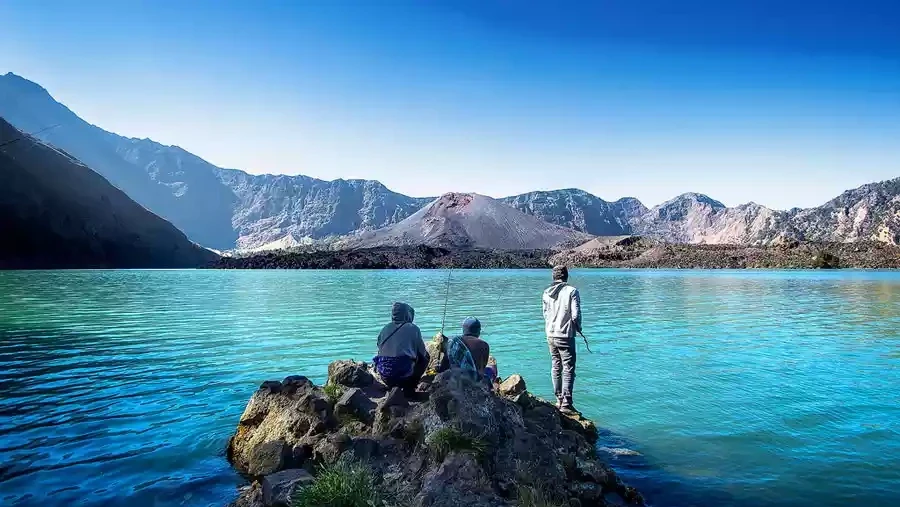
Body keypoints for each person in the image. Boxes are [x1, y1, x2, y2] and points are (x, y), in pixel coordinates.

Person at [542, 265, 581, 414]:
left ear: (554, 276)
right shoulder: (572, 291)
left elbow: (545, 314)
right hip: (565, 335)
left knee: (556, 366)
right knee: (568, 368)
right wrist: (578, 328)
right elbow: (575, 315)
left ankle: (558, 399)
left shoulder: (546, 293)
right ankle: (566, 403)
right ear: (566, 276)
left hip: (550, 334)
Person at [373, 302, 429, 396]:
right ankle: (410, 388)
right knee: (425, 357)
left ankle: (392, 387)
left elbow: (379, 347)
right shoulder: (413, 328)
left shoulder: (385, 328)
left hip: (385, 376)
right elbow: (422, 352)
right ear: (408, 314)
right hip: (403, 376)